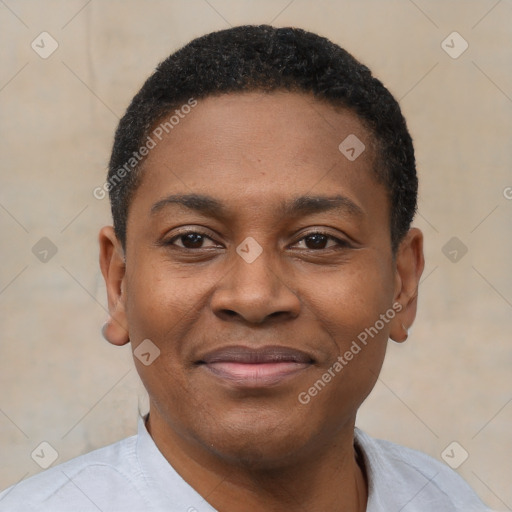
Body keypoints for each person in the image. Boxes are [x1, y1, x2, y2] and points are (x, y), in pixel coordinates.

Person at [0, 25, 492, 512]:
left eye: (317, 240)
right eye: (192, 240)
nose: (254, 297)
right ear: (119, 283)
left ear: (402, 285)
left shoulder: (446, 499)